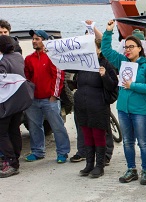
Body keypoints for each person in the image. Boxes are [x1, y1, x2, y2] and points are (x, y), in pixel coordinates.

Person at [101, 20, 146, 185]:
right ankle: (131, 169)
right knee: (127, 141)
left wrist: (132, 85)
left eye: (131, 46)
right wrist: (108, 32)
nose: (127, 50)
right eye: (126, 47)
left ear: (140, 48)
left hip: (140, 110)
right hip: (123, 109)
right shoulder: (122, 62)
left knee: (143, 142)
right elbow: (106, 50)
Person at [68, 38, 118, 178]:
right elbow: (65, 65)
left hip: (98, 105)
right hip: (83, 105)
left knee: (98, 135)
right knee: (87, 135)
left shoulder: (106, 64)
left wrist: (104, 76)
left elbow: (113, 85)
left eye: (92, 47)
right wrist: (52, 53)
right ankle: (89, 164)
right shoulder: (83, 63)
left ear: (99, 49)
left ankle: (99, 165)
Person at [24, 30, 70, 163]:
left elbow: (58, 77)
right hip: (34, 100)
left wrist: (54, 95)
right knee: (34, 126)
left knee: (57, 126)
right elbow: (27, 77)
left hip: (49, 99)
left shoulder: (52, 57)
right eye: (33, 39)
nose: (34, 41)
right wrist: (29, 95)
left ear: (44, 41)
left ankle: (62, 152)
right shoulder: (29, 59)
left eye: (37, 39)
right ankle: (38, 151)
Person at [0, 35, 25, 177]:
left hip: (6, 102)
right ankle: (15, 158)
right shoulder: (18, 57)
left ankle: (12, 162)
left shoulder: (3, 62)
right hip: (18, 101)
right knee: (14, 130)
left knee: (2, 133)